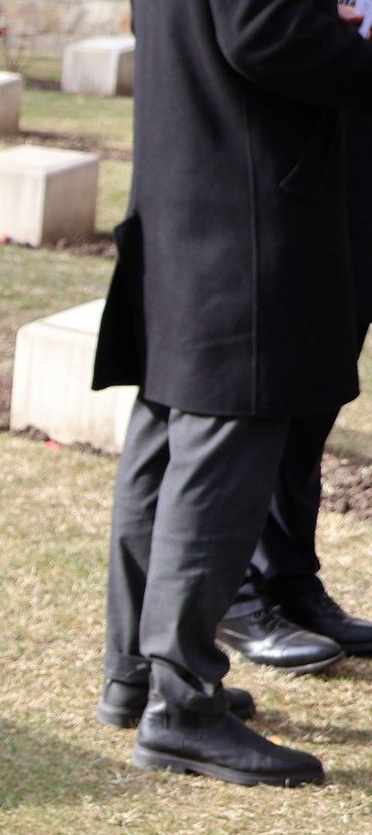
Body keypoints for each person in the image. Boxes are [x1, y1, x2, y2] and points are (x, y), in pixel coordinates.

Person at [93, 0, 372, 786]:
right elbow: (264, 32)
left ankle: (137, 672)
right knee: (222, 446)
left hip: (192, 177)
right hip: (242, 203)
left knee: (164, 439)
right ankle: (182, 708)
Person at [216, 105, 372, 672]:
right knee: (266, 392)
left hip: (353, 158)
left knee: (319, 390)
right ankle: (233, 592)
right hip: (292, 155)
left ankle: (288, 577)